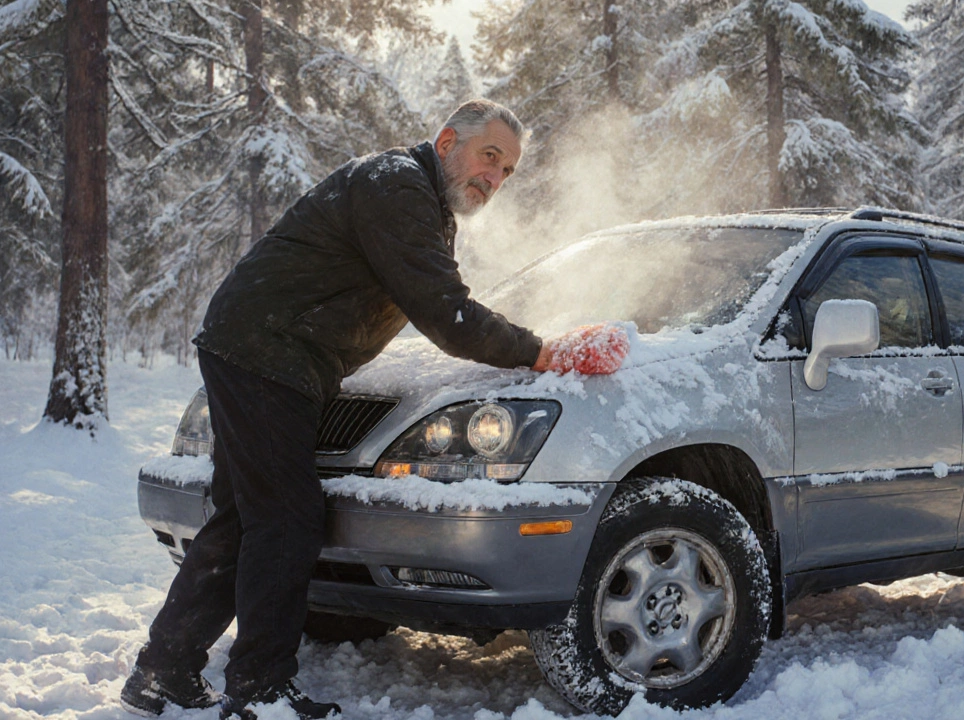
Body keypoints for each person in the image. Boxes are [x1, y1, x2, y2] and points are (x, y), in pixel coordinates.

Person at [119, 99, 627, 720]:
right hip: (269, 350)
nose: (494, 178)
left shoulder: (421, 202)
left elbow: (433, 301)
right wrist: (546, 352)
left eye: (508, 171)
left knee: (243, 517)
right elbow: (447, 312)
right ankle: (260, 688)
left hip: (263, 348)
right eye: (488, 157)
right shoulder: (396, 186)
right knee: (284, 518)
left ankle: (163, 670)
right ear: (446, 142)